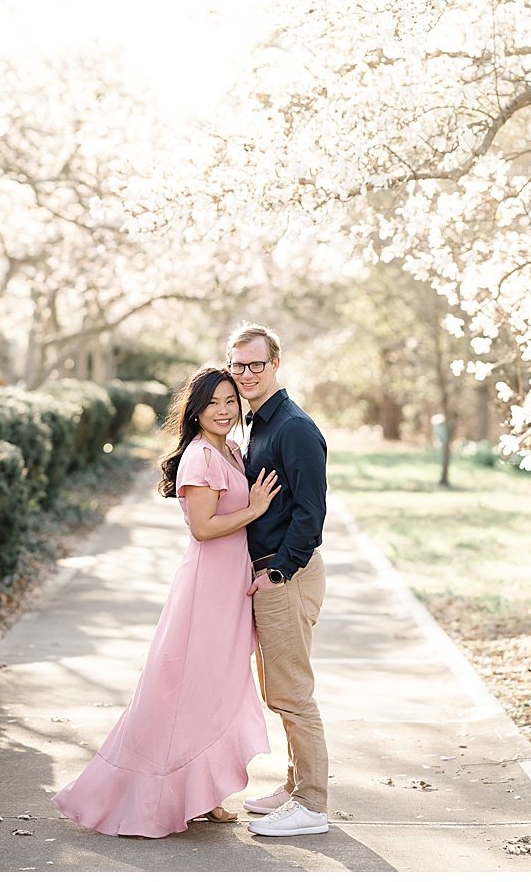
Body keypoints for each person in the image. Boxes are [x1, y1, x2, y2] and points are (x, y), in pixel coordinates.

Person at [52, 366, 279, 838]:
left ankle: (206, 792)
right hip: (206, 589)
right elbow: (203, 528)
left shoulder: (231, 450)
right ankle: (143, 794)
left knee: (218, 689)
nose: (224, 410)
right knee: (183, 690)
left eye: (230, 401)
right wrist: (254, 509)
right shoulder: (199, 458)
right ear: (196, 409)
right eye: (214, 402)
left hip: (231, 585)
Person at [229, 322, 331, 837]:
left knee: (293, 692)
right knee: (279, 691)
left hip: (285, 573)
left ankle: (312, 806)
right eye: (238, 364)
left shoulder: (293, 427)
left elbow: (312, 514)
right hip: (270, 572)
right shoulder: (255, 424)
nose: (246, 373)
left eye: (256, 364)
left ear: (275, 365)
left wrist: (277, 571)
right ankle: (294, 788)